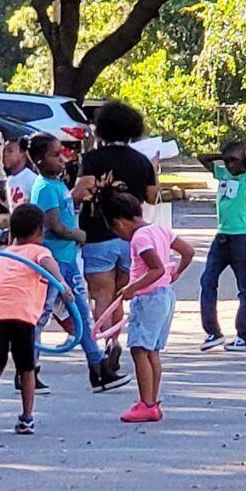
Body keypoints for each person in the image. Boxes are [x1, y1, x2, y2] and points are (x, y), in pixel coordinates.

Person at [29, 133, 131, 393]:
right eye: (55, 154)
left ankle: (97, 368)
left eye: (62, 153)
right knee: (40, 317)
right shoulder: (44, 188)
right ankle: (28, 370)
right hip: (52, 263)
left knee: (82, 315)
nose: (62, 159)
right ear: (40, 160)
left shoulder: (58, 184)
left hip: (67, 261)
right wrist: (79, 235)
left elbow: (66, 211)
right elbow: (52, 225)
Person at [0, 204, 73, 436]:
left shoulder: (3, 255)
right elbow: (50, 266)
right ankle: (27, 418)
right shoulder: (40, 252)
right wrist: (62, 284)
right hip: (24, 317)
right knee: (27, 369)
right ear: (40, 231)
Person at [76, 100, 158, 374]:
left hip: (97, 232)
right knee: (118, 295)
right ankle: (116, 339)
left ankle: (107, 343)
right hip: (131, 237)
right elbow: (152, 196)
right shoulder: (142, 161)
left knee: (101, 294)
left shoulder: (92, 159)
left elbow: (81, 191)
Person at [106, 192, 194, 423]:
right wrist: (177, 271)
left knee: (139, 350)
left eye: (117, 231)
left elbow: (155, 268)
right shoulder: (159, 229)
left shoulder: (139, 238)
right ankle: (151, 401)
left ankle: (146, 402)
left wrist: (132, 288)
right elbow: (188, 251)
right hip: (165, 296)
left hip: (148, 299)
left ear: (120, 222)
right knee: (151, 350)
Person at [198, 141, 246, 352]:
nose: (229, 164)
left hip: (239, 237)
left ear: (243, 161)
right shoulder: (222, 174)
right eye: (227, 160)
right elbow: (201, 158)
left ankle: (243, 334)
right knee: (207, 281)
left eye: (234, 160)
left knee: (243, 287)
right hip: (221, 236)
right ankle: (213, 331)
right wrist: (222, 156)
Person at [4, 137, 38, 211]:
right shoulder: (9, 180)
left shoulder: (32, 179)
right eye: (4, 151)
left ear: (23, 155)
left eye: (10, 151)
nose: (5, 155)